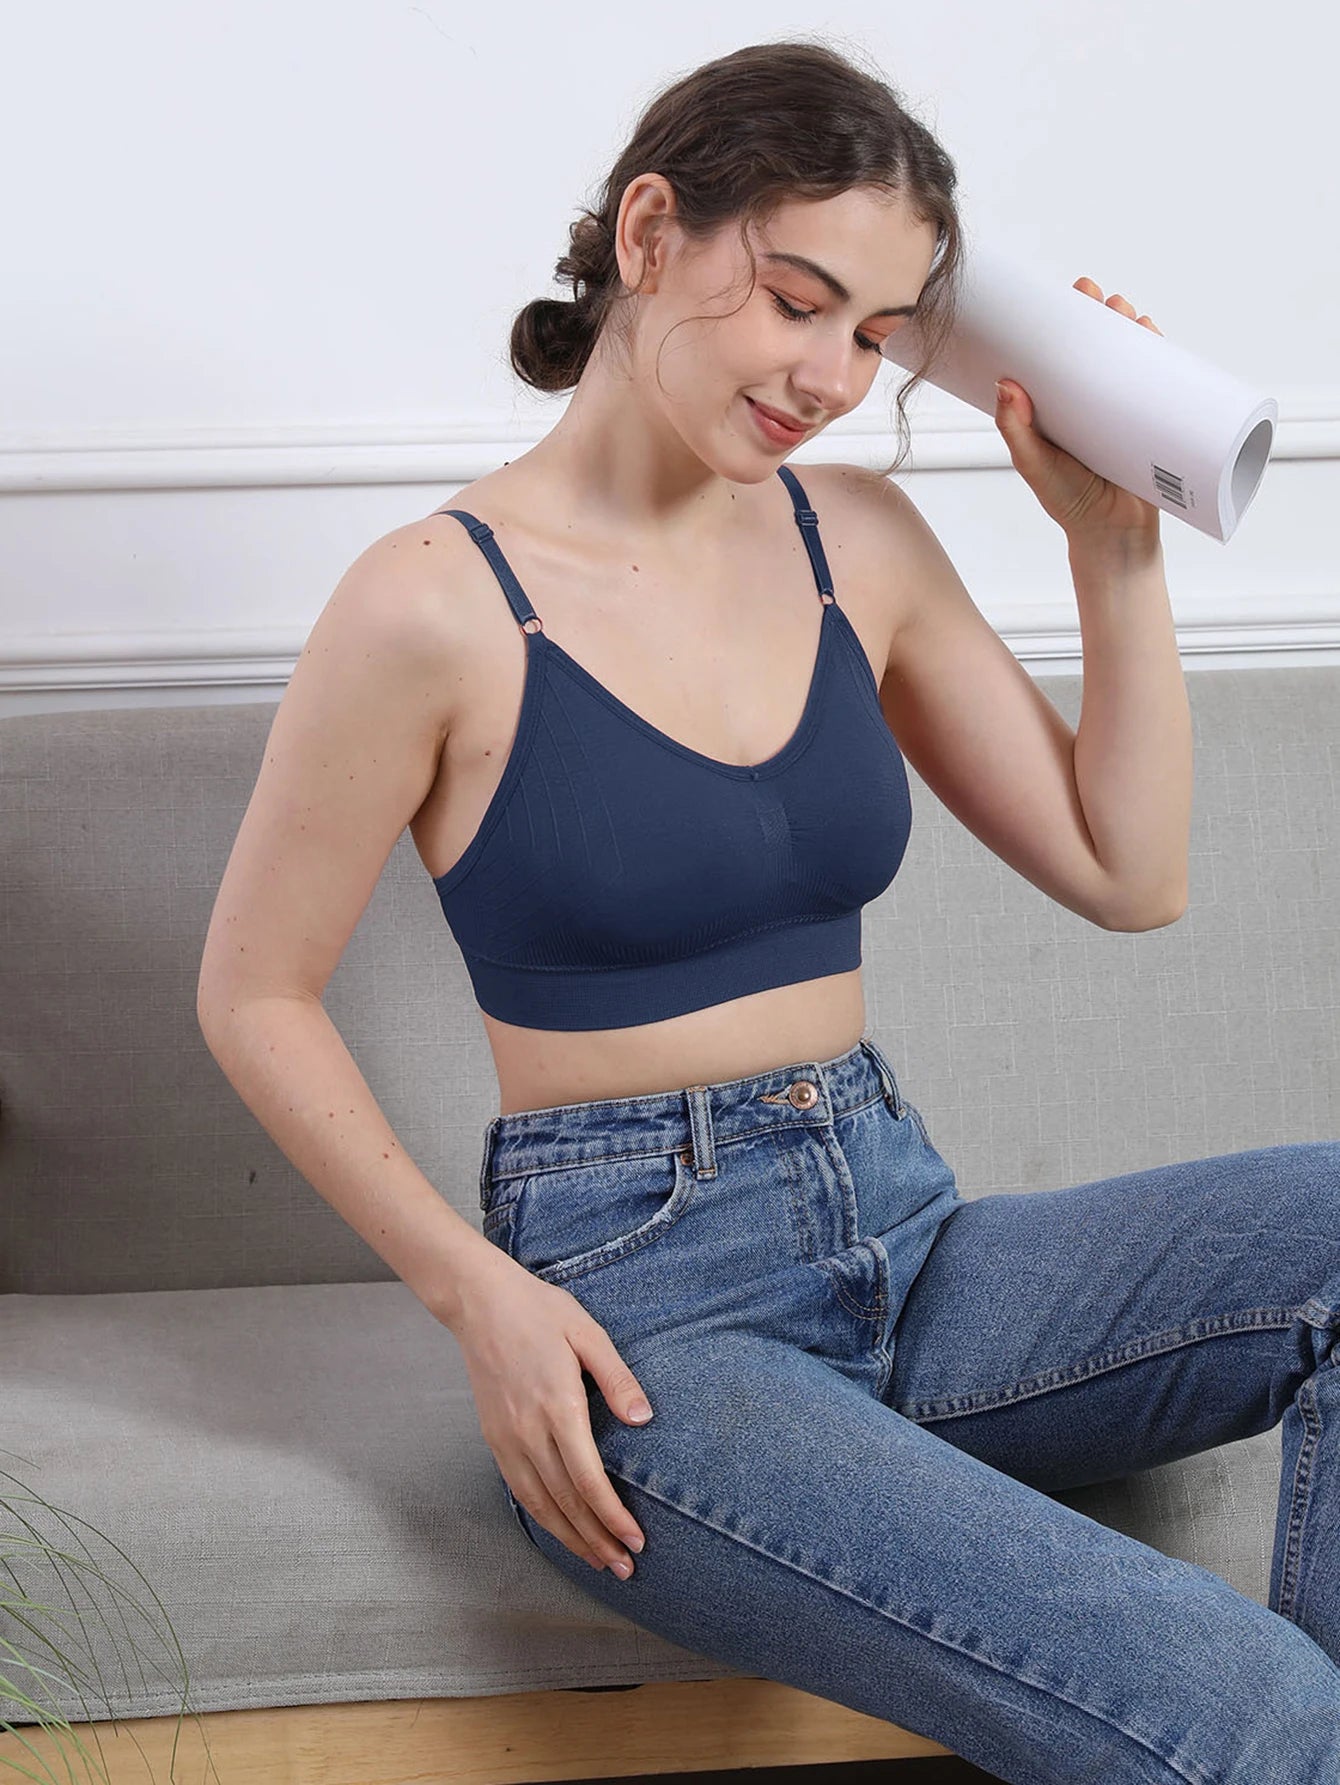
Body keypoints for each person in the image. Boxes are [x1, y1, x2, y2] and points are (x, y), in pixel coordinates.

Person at [197, 37, 1340, 1783]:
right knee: (1241, 1700)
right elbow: (253, 991)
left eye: (875, 334)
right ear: (651, 231)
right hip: (654, 1328)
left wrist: (1115, 548)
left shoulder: (854, 544)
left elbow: (1132, 870)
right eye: (799, 301)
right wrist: (475, 1295)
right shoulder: (431, 605)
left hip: (906, 1231)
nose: (831, 375)